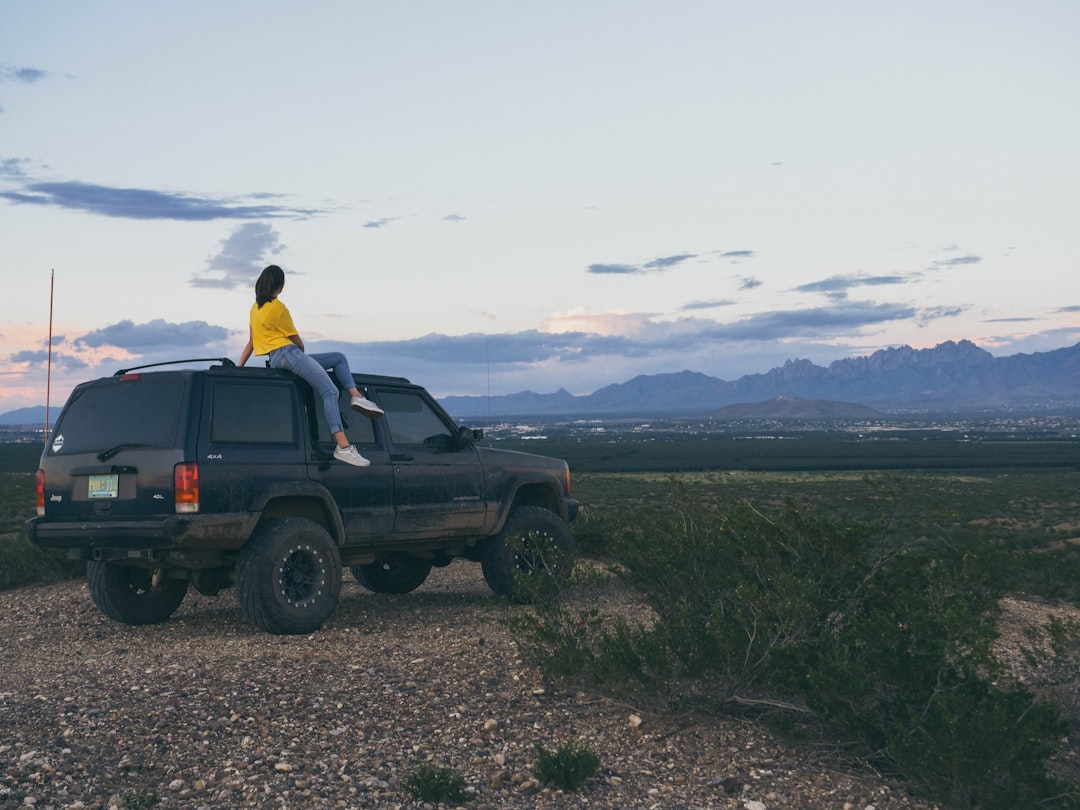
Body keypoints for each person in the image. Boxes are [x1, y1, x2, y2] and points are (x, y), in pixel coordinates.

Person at [238, 264, 383, 467]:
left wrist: (238, 367)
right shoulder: (279, 308)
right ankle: (343, 446)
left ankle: (357, 397)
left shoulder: (255, 309)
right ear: (281, 285)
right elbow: (297, 342)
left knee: (338, 358)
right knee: (330, 392)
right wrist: (303, 360)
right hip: (290, 353)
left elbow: (252, 342)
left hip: (276, 358)